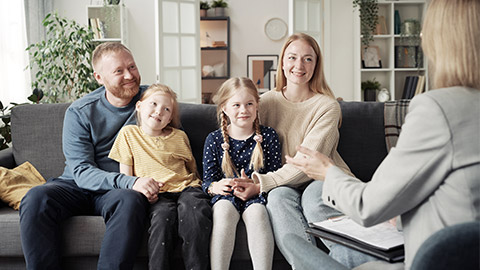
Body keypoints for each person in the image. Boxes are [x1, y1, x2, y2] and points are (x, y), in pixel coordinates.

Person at [285, 0, 480, 269]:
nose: (422, 37)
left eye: (428, 31)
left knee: (322, 252)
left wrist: (328, 171)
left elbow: (368, 205)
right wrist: (399, 216)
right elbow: (460, 193)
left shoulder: (437, 109)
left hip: (434, 259)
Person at [232, 33, 376, 269]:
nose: (299, 66)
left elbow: (307, 163)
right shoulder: (264, 103)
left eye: (308, 59)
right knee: (277, 197)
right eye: (292, 58)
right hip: (283, 184)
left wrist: (261, 183)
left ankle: (359, 263)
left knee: (312, 197)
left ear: (316, 65)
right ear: (282, 62)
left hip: (321, 177)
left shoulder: (327, 106)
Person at [19, 42, 154, 269]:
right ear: (99, 78)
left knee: (131, 200)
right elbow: (81, 171)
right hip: (76, 185)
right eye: (119, 71)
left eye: (132, 67)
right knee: (35, 198)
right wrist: (131, 181)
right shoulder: (80, 111)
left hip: (119, 192)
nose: (130, 76)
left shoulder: (152, 103)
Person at [108, 84, 212, 270]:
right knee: (162, 221)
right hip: (157, 195)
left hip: (187, 188)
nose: (159, 111)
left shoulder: (179, 136)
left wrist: (201, 187)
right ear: (139, 106)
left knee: (194, 213)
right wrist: (142, 193)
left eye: (166, 109)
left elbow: (192, 169)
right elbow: (126, 178)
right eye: (154, 104)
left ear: (170, 117)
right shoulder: (128, 134)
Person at [202, 77, 282, 270]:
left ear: (257, 106)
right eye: (236, 105)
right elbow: (207, 181)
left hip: (257, 196)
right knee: (223, 211)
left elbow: (276, 173)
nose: (243, 110)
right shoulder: (214, 139)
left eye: (249, 104)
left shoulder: (268, 136)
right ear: (224, 108)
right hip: (226, 197)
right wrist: (216, 186)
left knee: (257, 213)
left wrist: (255, 186)